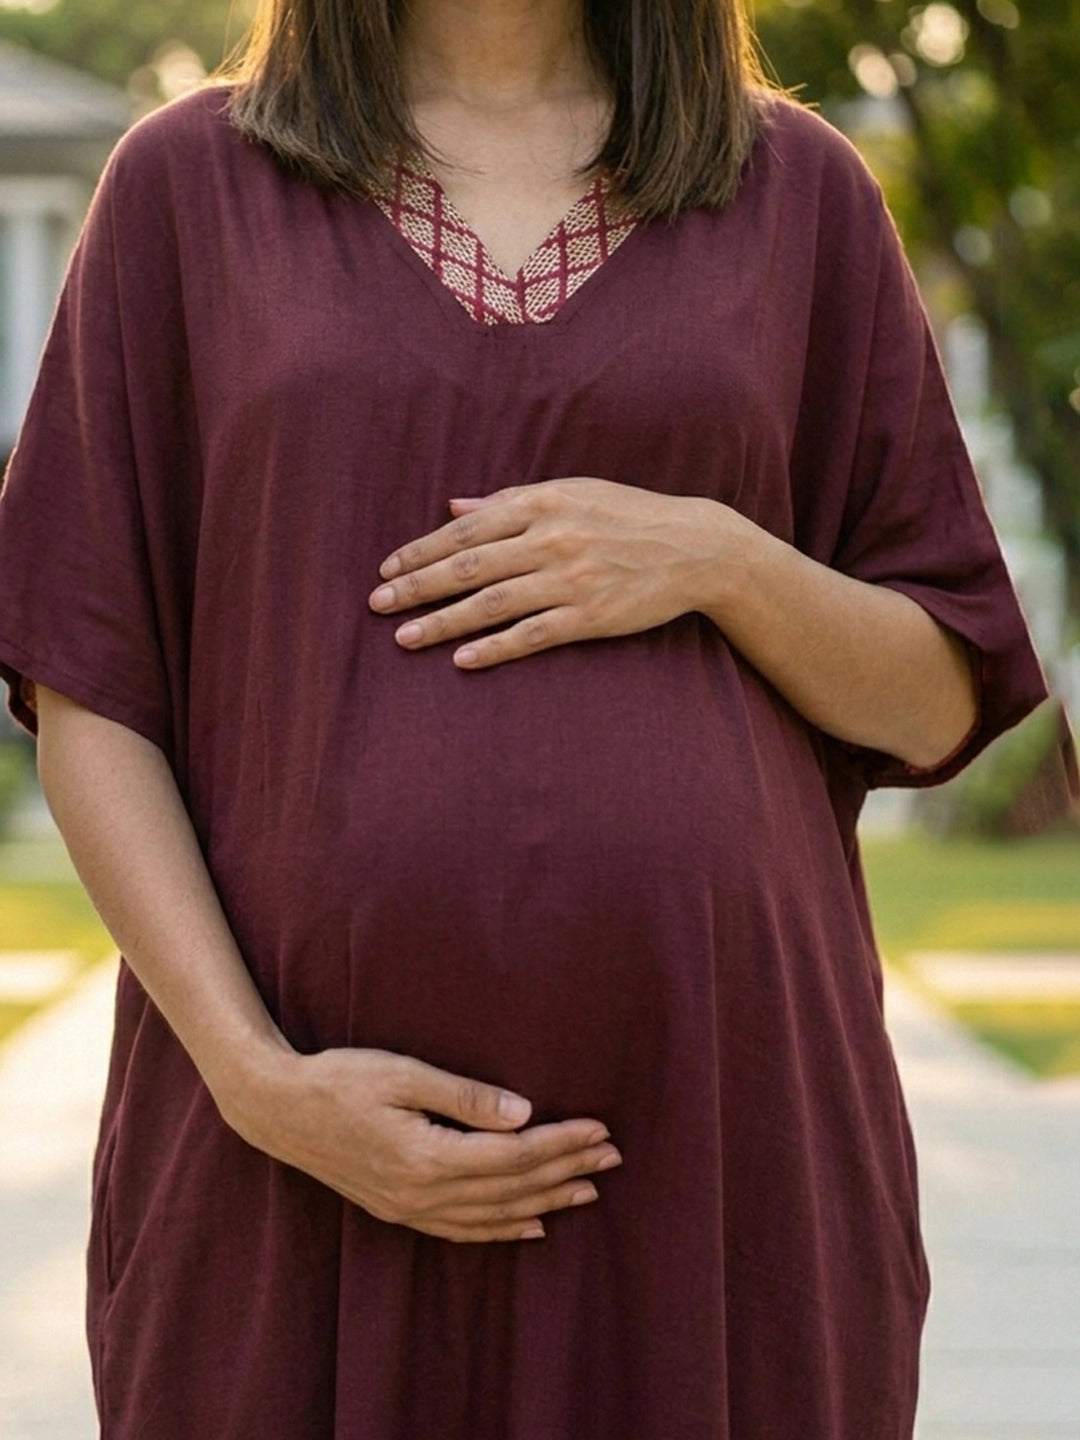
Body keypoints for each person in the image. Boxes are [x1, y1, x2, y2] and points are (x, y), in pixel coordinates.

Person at [0, 0, 1060, 1436]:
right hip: (290, 1150)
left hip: (721, 1138)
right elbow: (89, 689)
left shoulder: (801, 197)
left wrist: (718, 557)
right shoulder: (186, 191)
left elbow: (941, 690)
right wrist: (260, 1084)